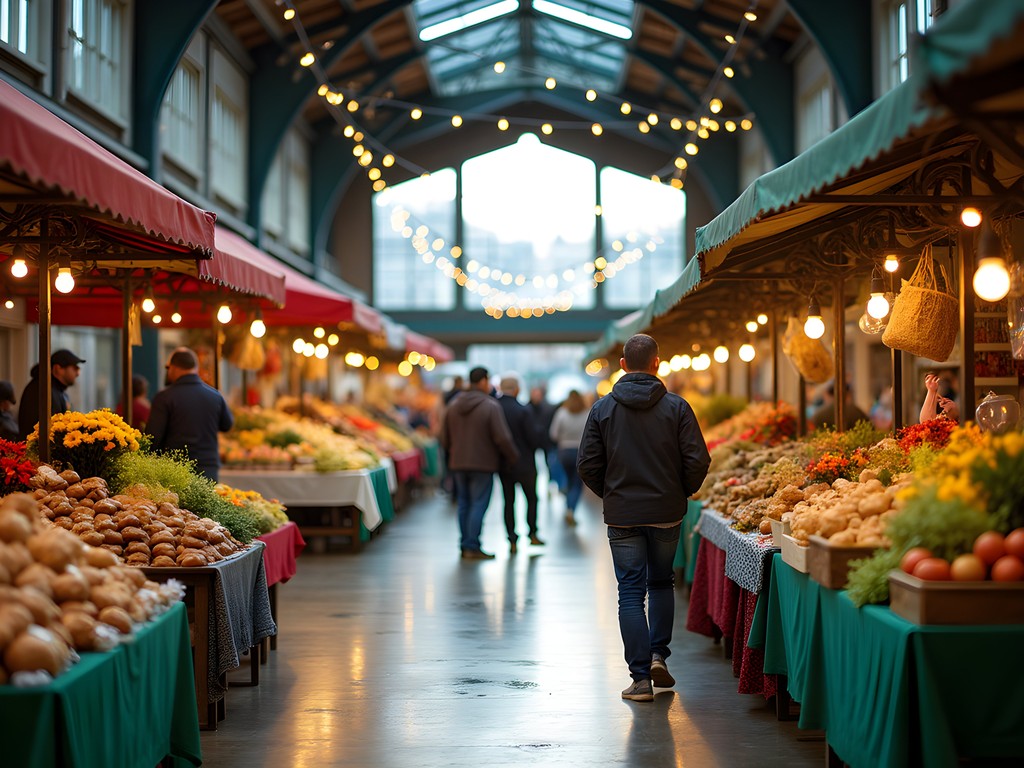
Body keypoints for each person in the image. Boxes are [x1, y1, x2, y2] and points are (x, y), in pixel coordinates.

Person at [577, 334, 711, 702]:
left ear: (622, 365)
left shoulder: (602, 409)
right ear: (657, 363)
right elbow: (698, 460)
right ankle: (658, 656)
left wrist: (614, 494)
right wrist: (679, 491)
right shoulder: (678, 408)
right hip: (666, 514)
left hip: (623, 515)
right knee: (661, 583)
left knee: (631, 592)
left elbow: (587, 464)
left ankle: (640, 680)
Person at [440, 366, 519, 560]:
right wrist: (513, 457)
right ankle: (473, 546)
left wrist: (454, 452)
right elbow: (502, 438)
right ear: (483, 381)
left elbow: (443, 437)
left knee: (464, 504)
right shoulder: (490, 406)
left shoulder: (453, 405)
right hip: (483, 464)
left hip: (458, 463)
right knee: (478, 504)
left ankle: (465, 544)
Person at [147, 347, 233, 481]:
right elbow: (227, 425)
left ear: (174, 368)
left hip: (175, 468)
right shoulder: (215, 395)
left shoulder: (164, 398)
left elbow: (152, 438)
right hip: (208, 467)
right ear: (196, 368)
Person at [497, 376, 544, 554]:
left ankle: (512, 538)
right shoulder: (523, 410)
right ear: (517, 389)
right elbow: (533, 438)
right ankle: (532, 533)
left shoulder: (495, 408)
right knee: (531, 498)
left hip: (503, 463)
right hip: (525, 462)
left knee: (508, 501)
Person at [17, 349, 85, 438]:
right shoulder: (42, 389)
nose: (78, 373)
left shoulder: (53, 388)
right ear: (58, 368)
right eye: (75, 368)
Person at [549, 390, 589, 526]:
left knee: (567, 480)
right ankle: (570, 509)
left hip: (564, 451)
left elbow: (553, 434)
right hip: (581, 452)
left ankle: (567, 503)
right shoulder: (587, 413)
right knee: (577, 484)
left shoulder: (562, 413)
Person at [527, 385, 566, 496]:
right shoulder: (526, 408)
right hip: (532, 442)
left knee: (550, 464)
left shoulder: (547, 407)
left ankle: (552, 485)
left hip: (546, 441)